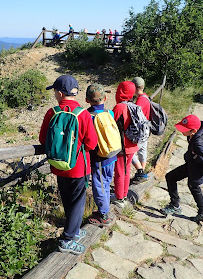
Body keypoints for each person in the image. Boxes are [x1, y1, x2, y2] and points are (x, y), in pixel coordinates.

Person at [39, 75, 98, 254]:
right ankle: (68, 238)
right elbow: (91, 144)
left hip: (58, 165)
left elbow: (43, 139)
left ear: (59, 92)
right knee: (77, 202)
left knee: (67, 199)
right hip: (78, 166)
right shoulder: (83, 114)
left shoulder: (52, 112)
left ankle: (69, 234)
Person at [161, 114, 203, 222]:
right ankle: (175, 205)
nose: (182, 131)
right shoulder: (193, 135)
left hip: (198, 168)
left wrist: (197, 174)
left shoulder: (198, 143)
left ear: (193, 131)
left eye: (184, 130)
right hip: (192, 164)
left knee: (193, 185)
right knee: (170, 177)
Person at [85, 84, 117, 226]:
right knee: (107, 182)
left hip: (99, 158)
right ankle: (103, 208)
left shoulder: (88, 116)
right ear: (105, 98)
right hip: (112, 154)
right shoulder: (109, 113)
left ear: (87, 100)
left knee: (99, 185)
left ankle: (104, 215)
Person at [112, 81, 139, 208]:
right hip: (132, 144)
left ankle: (119, 198)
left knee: (119, 172)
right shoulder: (134, 106)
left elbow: (111, 125)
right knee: (127, 170)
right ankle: (123, 194)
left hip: (122, 146)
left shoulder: (119, 107)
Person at [131, 77, 150, 184]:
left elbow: (136, 115)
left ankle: (140, 171)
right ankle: (141, 174)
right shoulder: (146, 97)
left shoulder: (140, 101)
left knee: (130, 151)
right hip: (146, 129)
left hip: (140, 130)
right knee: (143, 151)